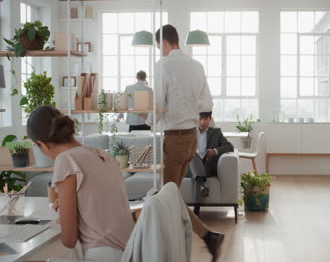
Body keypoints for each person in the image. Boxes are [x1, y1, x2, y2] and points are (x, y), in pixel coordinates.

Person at [152, 24, 224, 261]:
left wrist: (149, 118)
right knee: (172, 196)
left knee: (166, 195)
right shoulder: (196, 65)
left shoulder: (163, 65)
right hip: (191, 137)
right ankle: (193, 239)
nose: (159, 52)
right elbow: (206, 102)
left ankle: (206, 235)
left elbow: (158, 102)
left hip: (175, 139)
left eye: (158, 47)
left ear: (164, 43)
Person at [27, 105, 134, 261]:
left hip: (102, 256)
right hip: (129, 251)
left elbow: (69, 240)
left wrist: (66, 214)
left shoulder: (66, 160)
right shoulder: (104, 155)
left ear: (41, 144)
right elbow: (100, 201)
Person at [187, 111, 234, 201]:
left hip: (207, 166)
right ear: (196, 119)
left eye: (205, 119)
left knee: (196, 176)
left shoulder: (216, 132)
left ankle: (196, 210)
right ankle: (202, 185)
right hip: (191, 164)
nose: (202, 122)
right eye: (200, 119)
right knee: (193, 154)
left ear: (210, 119)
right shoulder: (189, 132)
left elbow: (229, 146)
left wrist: (215, 151)